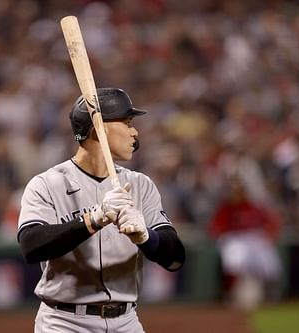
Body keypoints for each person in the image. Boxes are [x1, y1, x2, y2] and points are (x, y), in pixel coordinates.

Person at [17, 88, 186, 332]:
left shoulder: (140, 184)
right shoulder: (47, 183)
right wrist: (93, 219)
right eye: (127, 123)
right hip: (65, 322)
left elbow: (175, 259)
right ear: (100, 129)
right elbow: (31, 246)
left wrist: (148, 238)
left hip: (126, 321)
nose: (135, 132)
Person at [208, 174, 282, 309]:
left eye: (239, 190)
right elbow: (214, 227)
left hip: (254, 237)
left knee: (269, 261)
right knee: (233, 260)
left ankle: (272, 294)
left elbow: (271, 222)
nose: (236, 194)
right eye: (234, 191)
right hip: (234, 237)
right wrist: (220, 236)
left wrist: (270, 236)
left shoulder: (253, 206)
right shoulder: (226, 208)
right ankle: (228, 294)